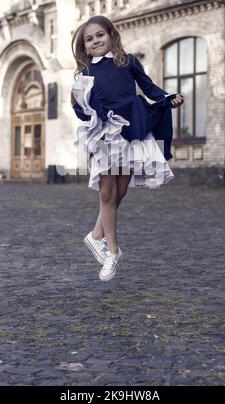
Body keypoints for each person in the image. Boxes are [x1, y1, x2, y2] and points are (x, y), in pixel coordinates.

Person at [70, 15, 184, 282]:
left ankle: (95, 235)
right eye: (89, 39)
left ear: (111, 36)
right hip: (106, 134)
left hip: (131, 130)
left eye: (100, 34)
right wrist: (85, 108)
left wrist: (168, 97)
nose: (96, 40)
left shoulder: (128, 62)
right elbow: (78, 108)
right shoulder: (85, 74)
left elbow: (148, 87)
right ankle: (112, 251)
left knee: (120, 192)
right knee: (108, 191)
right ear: (84, 48)